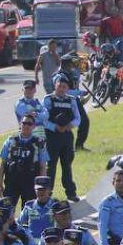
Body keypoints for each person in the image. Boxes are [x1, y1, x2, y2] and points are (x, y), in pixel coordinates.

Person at [42, 74, 81, 202]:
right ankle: (48, 193)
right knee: (51, 166)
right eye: (59, 86)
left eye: (64, 87)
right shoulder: (48, 99)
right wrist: (55, 127)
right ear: (55, 86)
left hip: (67, 136)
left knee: (67, 165)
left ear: (67, 88)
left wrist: (70, 125)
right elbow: (43, 119)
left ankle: (71, 193)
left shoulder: (71, 100)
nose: (62, 89)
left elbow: (77, 118)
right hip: (52, 137)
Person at [0, 114, 48, 207]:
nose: (26, 126)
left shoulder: (39, 143)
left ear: (34, 126)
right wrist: (0, 185)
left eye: (29, 124)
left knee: (28, 211)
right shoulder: (10, 141)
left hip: (30, 182)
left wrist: (42, 187)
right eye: (24, 123)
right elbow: (2, 164)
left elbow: (42, 167)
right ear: (20, 124)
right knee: (6, 210)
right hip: (11, 181)